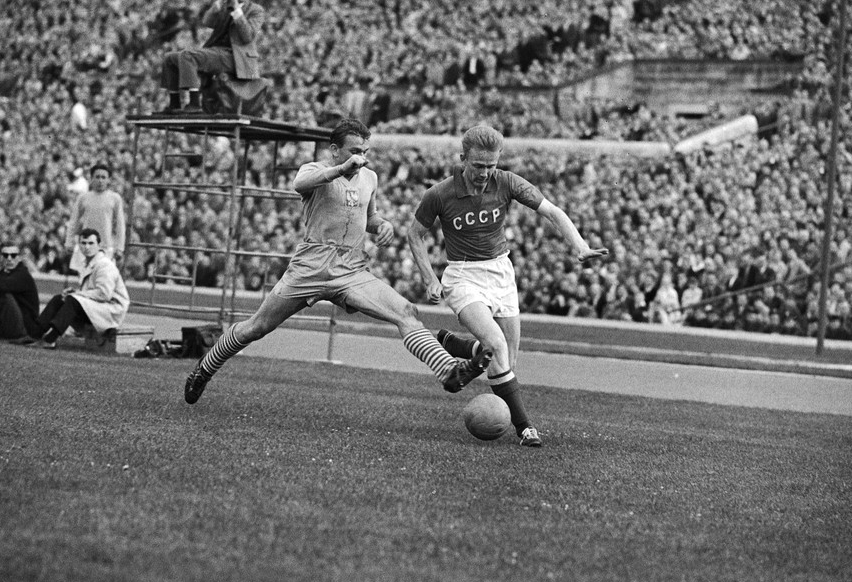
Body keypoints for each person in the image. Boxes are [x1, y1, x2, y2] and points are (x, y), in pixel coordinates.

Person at [184, 118, 492, 406]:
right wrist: (341, 169)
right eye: (354, 151)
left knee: (405, 311)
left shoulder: (369, 177)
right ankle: (206, 366)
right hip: (311, 267)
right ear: (335, 150)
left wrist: (381, 225)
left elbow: (367, 218)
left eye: (364, 152)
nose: (361, 158)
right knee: (257, 327)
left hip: (351, 269)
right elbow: (299, 183)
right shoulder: (316, 170)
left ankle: (449, 371)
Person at [407, 125, 608, 448]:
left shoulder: (507, 182)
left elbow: (552, 212)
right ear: (463, 160)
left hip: (501, 273)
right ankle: (525, 428)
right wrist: (430, 277)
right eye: (478, 166)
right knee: (497, 346)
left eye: (491, 166)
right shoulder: (440, 194)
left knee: (507, 362)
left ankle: (459, 346)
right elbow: (415, 234)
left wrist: (580, 246)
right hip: (463, 275)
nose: (485, 173)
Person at [159, 0, 266, 113]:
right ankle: (175, 103)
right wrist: (220, 1)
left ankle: (194, 104)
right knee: (169, 59)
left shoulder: (256, 10)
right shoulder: (225, 4)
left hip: (235, 57)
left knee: (188, 56)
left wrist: (237, 11)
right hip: (217, 52)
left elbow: (247, 37)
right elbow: (207, 22)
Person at [21, 229, 129, 349]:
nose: (87, 247)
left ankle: (50, 339)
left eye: (91, 243)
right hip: (98, 307)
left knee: (73, 301)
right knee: (59, 299)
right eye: (83, 243)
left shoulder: (105, 265)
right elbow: (91, 292)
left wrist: (77, 295)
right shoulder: (88, 263)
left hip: (112, 310)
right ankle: (34, 334)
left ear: (99, 245)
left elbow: (104, 294)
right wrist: (75, 293)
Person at [65, 162, 126, 274]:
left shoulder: (114, 198)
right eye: (97, 177)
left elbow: (120, 225)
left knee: (104, 280)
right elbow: (74, 221)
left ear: (109, 180)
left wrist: (120, 247)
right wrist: (69, 242)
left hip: (106, 247)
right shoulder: (83, 198)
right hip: (86, 246)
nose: (100, 180)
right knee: (85, 280)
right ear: (91, 178)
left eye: (103, 177)